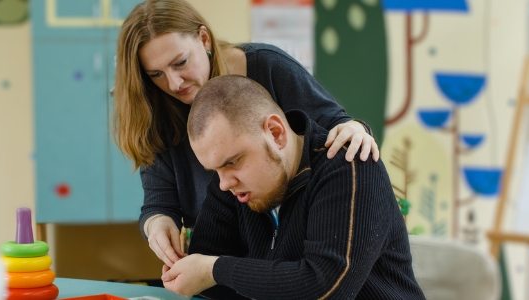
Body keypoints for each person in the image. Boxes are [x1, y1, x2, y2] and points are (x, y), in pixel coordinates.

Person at [114, 0, 382, 268]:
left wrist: (355, 129)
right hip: (224, 254)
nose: (173, 83)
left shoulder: (267, 66)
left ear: (204, 39)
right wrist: (158, 224)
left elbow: (336, 127)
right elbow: (158, 203)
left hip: (297, 250)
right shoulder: (155, 110)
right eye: (156, 74)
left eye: (181, 62)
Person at [160, 75, 423, 299]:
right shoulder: (230, 185)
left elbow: (325, 288)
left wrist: (213, 270)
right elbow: (209, 285)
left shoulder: (349, 165)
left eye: (233, 161)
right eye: (215, 170)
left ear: (275, 133)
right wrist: (192, 273)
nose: (225, 182)